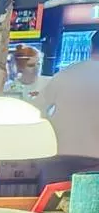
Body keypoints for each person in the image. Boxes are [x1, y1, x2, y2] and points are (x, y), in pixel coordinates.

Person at [34, 32, 99, 183]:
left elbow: (37, 109)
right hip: (95, 158)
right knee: (89, 197)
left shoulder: (67, 73)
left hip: (58, 153)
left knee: (52, 196)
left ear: (91, 47)